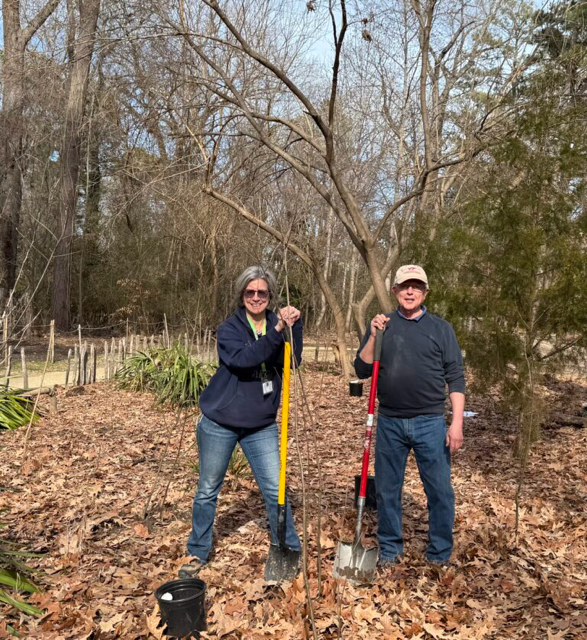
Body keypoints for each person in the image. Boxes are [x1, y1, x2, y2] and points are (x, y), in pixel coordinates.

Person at [180, 266, 302, 578]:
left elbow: (293, 359)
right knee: (208, 488)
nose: (257, 297)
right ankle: (198, 551)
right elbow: (243, 359)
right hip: (220, 421)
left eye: (262, 292)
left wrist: (293, 326)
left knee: (276, 488)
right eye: (250, 292)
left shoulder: (279, 323)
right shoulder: (230, 328)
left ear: (270, 294)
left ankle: (287, 548)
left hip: (260, 423)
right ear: (242, 295)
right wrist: (275, 333)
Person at [354, 264, 465, 567]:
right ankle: (390, 550)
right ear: (395, 291)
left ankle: (439, 553)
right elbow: (362, 369)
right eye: (405, 286)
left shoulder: (441, 329)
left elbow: (455, 376)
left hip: (430, 421)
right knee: (388, 491)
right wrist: (375, 335)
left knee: (440, 491)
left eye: (416, 286)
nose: (410, 291)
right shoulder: (382, 324)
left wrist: (456, 422)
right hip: (390, 420)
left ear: (425, 292)